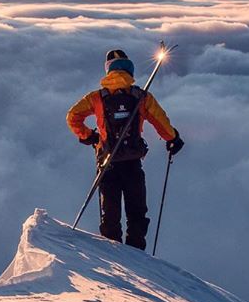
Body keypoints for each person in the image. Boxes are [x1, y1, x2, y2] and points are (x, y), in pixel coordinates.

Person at [67, 49, 184, 250]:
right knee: (136, 212)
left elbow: (73, 117)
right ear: (129, 70)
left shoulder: (96, 98)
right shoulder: (141, 97)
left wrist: (89, 136)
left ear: (108, 71)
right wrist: (173, 139)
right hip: (132, 162)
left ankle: (115, 259)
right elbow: (161, 122)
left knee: (110, 215)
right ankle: (136, 255)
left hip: (107, 164)